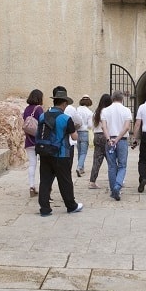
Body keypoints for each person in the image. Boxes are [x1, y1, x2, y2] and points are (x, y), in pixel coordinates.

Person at [36, 88, 83, 217]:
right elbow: (74, 137)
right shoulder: (65, 118)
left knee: (45, 181)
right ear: (63, 104)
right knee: (65, 181)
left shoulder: (42, 116)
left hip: (45, 152)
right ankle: (71, 205)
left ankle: (44, 209)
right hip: (61, 154)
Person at [100, 90, 132, 201]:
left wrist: (109, 139)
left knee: (112, 165)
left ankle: (113, 188)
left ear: (112, 98)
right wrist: (117, 139)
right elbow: (127, 127)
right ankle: (117, 186)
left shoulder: (105, 111)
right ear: (122, 99)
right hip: (121, 140)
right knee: (122, 165)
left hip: (110, 140)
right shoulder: (126, 110)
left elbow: (104, 127)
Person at [23, 89, 44, 197]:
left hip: (29, 141)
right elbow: (43, 123)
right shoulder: (39, 109)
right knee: (43, 165)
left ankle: (31, 186)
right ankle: (43, 187)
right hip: (39, 141)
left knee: (32, 164)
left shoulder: (26, 109)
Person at [88, 93, 112, 190]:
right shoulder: (108, 112)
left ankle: (92, 181)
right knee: (111, 159)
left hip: (97, 136)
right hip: (105, 135)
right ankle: (115, 180)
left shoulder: (96, 112)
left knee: (97, 160)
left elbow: (91, 126)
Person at [74, 95, 93, 177]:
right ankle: (79, 167)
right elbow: (90, 125)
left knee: (79, 151)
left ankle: (81, 168)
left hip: (77, 132)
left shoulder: (77, 110)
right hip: (85, 132)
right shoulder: (89, 112)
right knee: (83, 152)